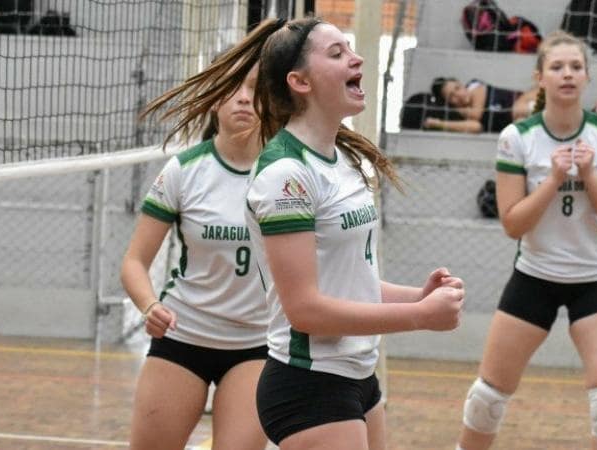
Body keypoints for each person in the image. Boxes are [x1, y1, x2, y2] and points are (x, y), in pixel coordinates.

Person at [239, 17, 465, 450]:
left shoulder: (343, 159)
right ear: (300, 82)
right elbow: (306, 310)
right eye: (337, 53)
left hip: (358, 374)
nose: (356, 58)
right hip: (309, 383)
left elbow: (349, 283)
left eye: (350, 48)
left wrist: (417, 297)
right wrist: (421, 317)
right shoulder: (286, 174)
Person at [455, 31, 597, 450]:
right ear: (540, 78)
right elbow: (513, 224)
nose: (567, 74)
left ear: (587, 76)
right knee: (486, 398)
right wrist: (553, 179)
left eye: (576, 67)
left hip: (595, 278)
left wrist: (589, 176)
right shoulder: (517, 137)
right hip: (534, 276)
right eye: (557, 67)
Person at [120, 26, 275, 450]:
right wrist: (149, 305)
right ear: (213, 98)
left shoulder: (287, 175)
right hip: (183, 335)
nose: (243, 98)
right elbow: (134, 262)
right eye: (230, 87)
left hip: (257, 344)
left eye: (254, 88)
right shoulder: (184, 170)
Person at [424, 77, 540, 133]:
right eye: (452, 96)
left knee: (518, 110)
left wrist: (456, 109)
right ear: (449, 103)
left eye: (457, 88)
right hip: (522, 122)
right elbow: (476, 127)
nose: (459, 95)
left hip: (528, 101)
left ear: (461, 84)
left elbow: (476, 114)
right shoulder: (464, 114)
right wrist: (440, 124)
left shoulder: (475, 86)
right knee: (519, 126)